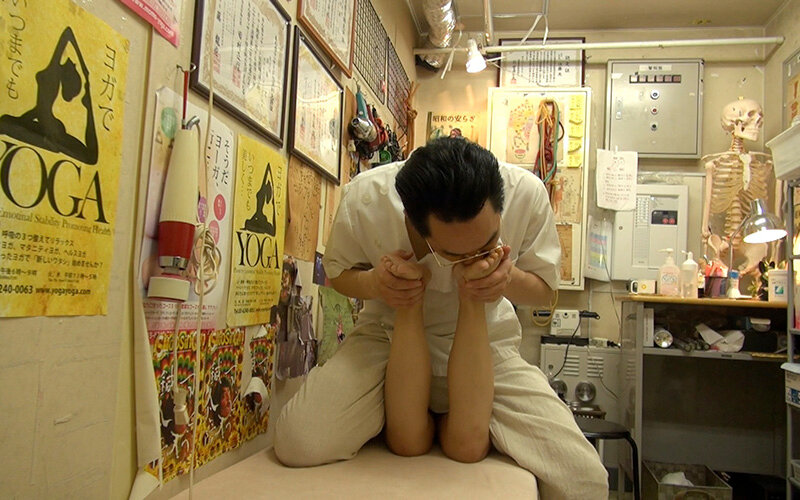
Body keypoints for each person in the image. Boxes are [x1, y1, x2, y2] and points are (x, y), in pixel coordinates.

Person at [274, 137, 608, 498]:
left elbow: (545, 291)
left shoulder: (525, 193)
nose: (472, 260)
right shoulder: (366, 199)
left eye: (486, 244)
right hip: (385, 335)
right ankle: (406, 416)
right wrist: (375, 283)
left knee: (584, 482)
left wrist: (505, 278)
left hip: (488, 343)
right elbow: (338, 273)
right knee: (299, 442)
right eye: (453, 254)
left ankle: (443, 420)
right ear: (411, 222)